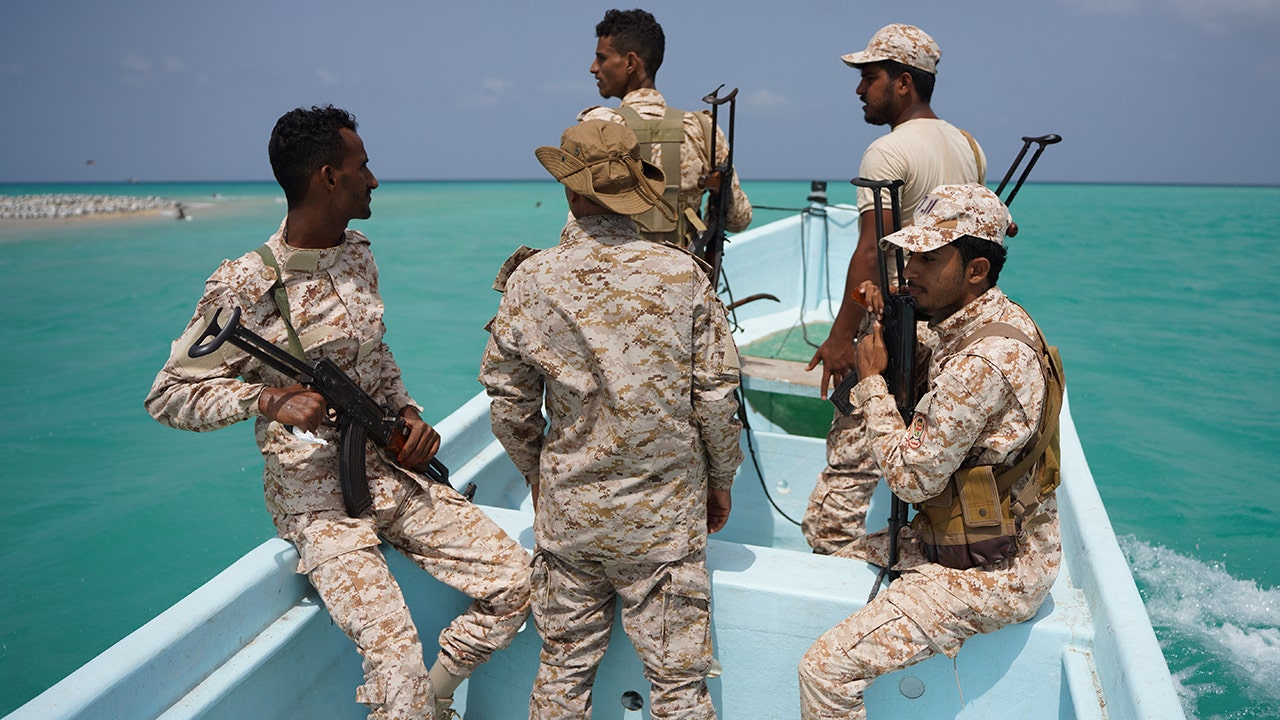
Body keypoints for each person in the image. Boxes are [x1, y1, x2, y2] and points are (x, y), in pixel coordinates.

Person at [145, 105, 531, 720]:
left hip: (388, 473)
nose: (373, 179)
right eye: (362, 166)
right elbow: (168, 395)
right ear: (328, 176)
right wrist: (265, 399)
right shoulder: (243, 284)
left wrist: (407, 413)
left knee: (520, 582)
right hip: (318, 505)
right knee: (396, 669)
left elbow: (376, 354)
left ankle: (438, 695)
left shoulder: (357, 256)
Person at [479, 120, 744, 720]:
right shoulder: (682, 276)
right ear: (633, 193)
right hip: (664, 521)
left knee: (562, 673)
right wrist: (721, 479)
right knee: (679, 689)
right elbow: (716, 400)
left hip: (570, 517)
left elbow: (509, 403)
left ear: (570, 190)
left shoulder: (530, 280)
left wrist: (539, 477)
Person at [797, 183, 1062, 719]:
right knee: (825, 561)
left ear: (976, 270)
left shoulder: (982, 361)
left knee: (824, 672)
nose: (909, 270)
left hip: (994, 572)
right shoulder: (984, 321)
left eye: (929, 259)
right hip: (959, 540)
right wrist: (886, 321)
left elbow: (911, 480)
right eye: (910, 255)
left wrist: (872, 382)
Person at [803, 23, 988, 556]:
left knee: (850, 468)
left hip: (892, 326)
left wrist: (842, 338)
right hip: (948, 330)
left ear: (903, 82)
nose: (860, 89)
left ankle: (830, 561)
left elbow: (871, 252)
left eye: (870, 77)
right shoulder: (969, 147)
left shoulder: (886, 152)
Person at [579, 7, 752, 247]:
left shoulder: (599, 126)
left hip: (617, 269)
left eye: (602, 58)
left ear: (630, 62)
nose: (593, 68)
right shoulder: (702, 128)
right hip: (685, 268)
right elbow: (739, 218)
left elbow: (578, 226)